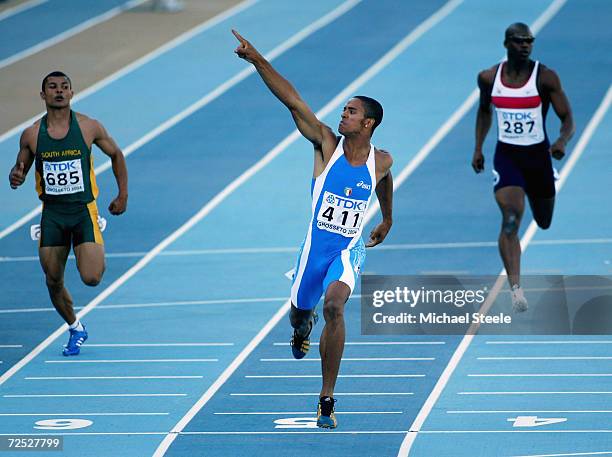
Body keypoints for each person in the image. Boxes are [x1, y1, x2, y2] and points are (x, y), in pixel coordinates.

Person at [233, 30, 393, 429]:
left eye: (352, 111)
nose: (343, 114)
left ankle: (326, 398)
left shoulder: (383, 160)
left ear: (368, 123)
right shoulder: (325, 144)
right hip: (313, 253)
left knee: (335, 306)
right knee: (300, 313)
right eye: (344, 109)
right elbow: (291, 98)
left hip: (346, 252)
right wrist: (257, 59)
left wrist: (387, 218)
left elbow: (384, 181)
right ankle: (302, 327)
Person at [9, 71, 128, 356]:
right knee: (53, 280)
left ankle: (89, 235)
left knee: (92, 278)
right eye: (52, 87)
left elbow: (116, 154)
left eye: (64, 87)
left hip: (83, 210)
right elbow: (20, 169)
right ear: (43, 95)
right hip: (52, 214)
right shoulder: (31, 135)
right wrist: (16, 175)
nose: (59, 91)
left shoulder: (88, 127)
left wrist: (122, 194)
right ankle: (75, 327)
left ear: (72, 93)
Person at [472, 23, 574, 312]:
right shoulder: (489, 78)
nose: (526, 46)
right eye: (519, 41)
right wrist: (478, 147)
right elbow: (483, 111)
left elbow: (568, 118)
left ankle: (539, 194)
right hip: (508, 158)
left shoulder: (545, 77)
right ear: (506, 43)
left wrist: (562, 141)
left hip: (538, 158)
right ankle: (516, 289)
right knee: (511, 218)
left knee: (543, 221)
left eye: (529, 41)